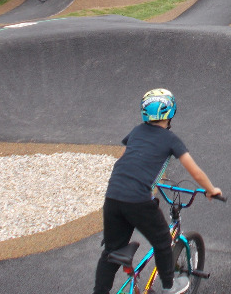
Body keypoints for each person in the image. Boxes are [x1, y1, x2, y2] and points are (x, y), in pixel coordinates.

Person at [93, 88, 222, 294]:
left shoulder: (136, 132)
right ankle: (169, 286)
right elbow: (196, 173)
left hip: (113, 197)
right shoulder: (170, 139)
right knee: (162, 240)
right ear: (171, 113)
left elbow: (125, 159)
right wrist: (211, 190)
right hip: (137, 201)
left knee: (111, 250)